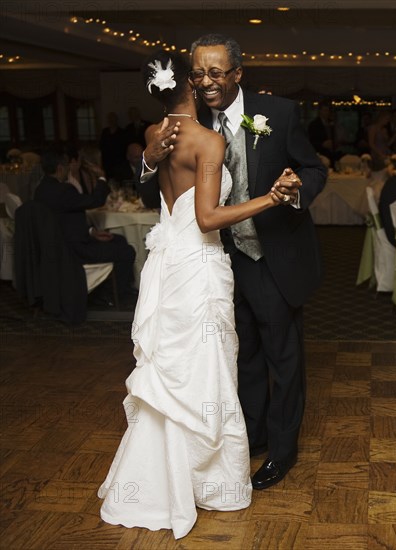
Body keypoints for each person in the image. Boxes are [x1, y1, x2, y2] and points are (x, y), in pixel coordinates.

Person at [98, 50, 291, 539]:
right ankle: (207, 480)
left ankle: (162, 474)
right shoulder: (207, 141)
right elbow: (207, 218)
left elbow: (161, 190)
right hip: (200, 267)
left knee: (171, 369)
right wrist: (270, 197)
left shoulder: (153, 137)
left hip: (166, 266)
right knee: (205, 367)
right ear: (189, 81)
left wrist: (146, 161)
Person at [138, 34, 327, 493]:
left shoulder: (277, 113)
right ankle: (254, 435)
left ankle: (282, 452)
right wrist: (148, 161)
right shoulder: (185, 121)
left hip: (273, 256)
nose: (207, 82)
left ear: (237, 74)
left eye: (216, 73)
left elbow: (315, 168)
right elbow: (155, 194)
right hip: (219, 261)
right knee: (240, 359)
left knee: (283, 359)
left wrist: (294, 184)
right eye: (199, 73)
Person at [34, 149, 136, 302]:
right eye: (67, 166)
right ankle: (114, 295)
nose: (69, 170)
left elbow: (63, 219)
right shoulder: (64, 190)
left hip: (59, 244)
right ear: (60, 169)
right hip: (74, 250)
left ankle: (112, 289)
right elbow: (95, 201)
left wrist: (90, 232)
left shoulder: (40, 190)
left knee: (118, 240)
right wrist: (101, 176)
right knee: (127, 251)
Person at [308, 102, 340, 167]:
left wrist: (335, 143)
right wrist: (322, 144)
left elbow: (333, 137)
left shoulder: (331, 123)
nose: (327, 113)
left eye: (328, 110)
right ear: (320, 111)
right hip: (320, 156)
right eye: (325, 110)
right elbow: (311, 141)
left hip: (331, 155)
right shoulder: (314, 125)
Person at [99, 112, 126, 179]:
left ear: (116, 120)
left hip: (118, 160)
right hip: (107, 160)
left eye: (113, 119)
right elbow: (101, 145)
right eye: (110, 119)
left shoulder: (122, 132)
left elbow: (123, 147)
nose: (111, 121)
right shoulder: (105, 132)